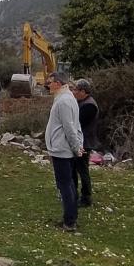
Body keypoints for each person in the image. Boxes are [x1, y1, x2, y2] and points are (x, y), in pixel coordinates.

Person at [44, 72, 84, 232]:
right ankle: (71, 217)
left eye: (50, 82)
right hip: (63, 148)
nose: (48, 85)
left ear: (59, 83)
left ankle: (69, 221)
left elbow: (70, 127)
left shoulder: (64, 101)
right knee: (68, 183)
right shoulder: (65, 98)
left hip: (62, 149)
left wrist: (77, 147)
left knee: (65, 185)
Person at [71, 78, 100, 207]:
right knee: (75, 168)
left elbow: (78, 123)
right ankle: (73, 194)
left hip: (85, 142)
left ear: (83, 91)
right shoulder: (83, 102)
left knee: (82, 170)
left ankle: (86, 197)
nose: (74, 92)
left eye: (76, 89)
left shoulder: (89, 105)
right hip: (81, 141)